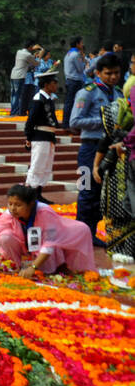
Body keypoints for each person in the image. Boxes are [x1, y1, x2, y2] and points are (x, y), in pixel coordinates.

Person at [0, 184, 97, 277]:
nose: (13, 208)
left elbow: (49, 243)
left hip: (53, 242)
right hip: (28, 240)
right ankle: (18, 267)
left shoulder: (45, 212)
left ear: (30, 204)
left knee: (47, 271)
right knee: (5, 237)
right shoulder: (9, 213)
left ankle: (57, 264)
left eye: (18, 205)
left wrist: (33, 267)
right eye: (10, 204)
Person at [70, 52, 122, 244]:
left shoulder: (117, 93)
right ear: (98, 72)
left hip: (110, 149)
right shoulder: (88, 92)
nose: (113, 77)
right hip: (90, 148)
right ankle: (82, 234)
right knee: (87, 191)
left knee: (104, 193)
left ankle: (91, 233)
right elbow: (75, 121)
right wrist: (104, 120)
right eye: (108, 73)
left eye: (116, 73)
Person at [94, 84, 135, 259]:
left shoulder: (115, 110)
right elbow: (106, 140)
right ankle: (121, 250)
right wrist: (96, 166)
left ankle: (125, 251)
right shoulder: (115, 110)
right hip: (118, 166)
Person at [24, 68, 60, 202]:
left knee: (46, 165)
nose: (56, 85)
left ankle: (38, 193)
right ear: (46, 84)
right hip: (40, 136)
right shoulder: (39, 99)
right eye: (54, 83)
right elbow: (31, 119)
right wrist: (28, 136)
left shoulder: (49, 99)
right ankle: (30, 194)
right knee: (37, 165)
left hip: (49, 136)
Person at [61, 37, 87, 129]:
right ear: (77, 44)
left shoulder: (68, 54)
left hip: (70, 80)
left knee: (69, 102)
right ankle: (70, 124)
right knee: (76, 103)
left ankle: (66, 123)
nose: (82, 45)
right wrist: (84, 61)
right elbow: (80, 68)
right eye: (81, 43)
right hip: (75, 81)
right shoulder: (76, 55)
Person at [10, 42, 39, 116]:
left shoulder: (19, 52)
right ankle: (15, 112)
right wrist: (39, 53)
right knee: (18, 95)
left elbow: (27, 62)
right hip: (20, 76)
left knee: (14, 95)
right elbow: (37, 63)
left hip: (13, 75)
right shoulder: (28, 55)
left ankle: (13, 111)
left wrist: (33, 56)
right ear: (30, 47)